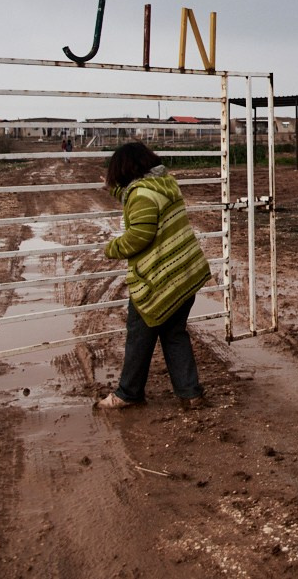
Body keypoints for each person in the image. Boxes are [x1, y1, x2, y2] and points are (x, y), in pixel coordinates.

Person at [96, 142, 211, 409]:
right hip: (184, 275)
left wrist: (111, 248)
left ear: (123, 169)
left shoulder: (142, 195)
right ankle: (190, 393)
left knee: (139, 335)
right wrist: (115, 191)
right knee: (174, 333)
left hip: (158, 281)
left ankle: (128, 393)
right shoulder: (164, 185)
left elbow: (139, 235)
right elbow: (143, 210)